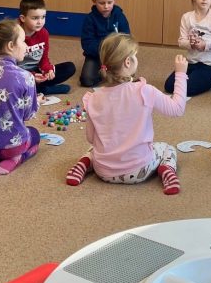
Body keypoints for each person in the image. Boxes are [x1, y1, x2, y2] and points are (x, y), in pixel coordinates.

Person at [66, 33, 187, 195]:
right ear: (128, 62)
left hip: (103, 171)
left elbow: (91, 138)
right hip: (139, 170)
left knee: (93, 148)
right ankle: (167, 171)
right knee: (168, 149)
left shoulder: (93, 98)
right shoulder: (144, 90)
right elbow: (177, 108)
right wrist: (180, 74)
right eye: (135, 56)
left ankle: (84, 163)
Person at [0, 19, 39, 175]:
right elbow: (28, 115)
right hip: (12, 147)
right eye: (23, 41)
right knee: (35, 134)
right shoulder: (26, 77)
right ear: (11, 46)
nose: (26, 46)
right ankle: (16, 159)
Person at [164, 0, 211, 96]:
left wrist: (205, 45)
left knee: (186, 89)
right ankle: (198, 79)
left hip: (209, 66)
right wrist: (191, 43)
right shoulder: (186, 17)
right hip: (191, 63)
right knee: (169, 86)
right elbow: (181, 41)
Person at [18, 0, 76, 95]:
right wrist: (31, 76)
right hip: (20, 75)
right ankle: (44, 90)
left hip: (37, 72)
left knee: (69, 68)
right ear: (23, 18)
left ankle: (38, 88)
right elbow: (10, 67)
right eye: (35, 18)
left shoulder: (44, 33)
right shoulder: (15, 34)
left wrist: (48, 70)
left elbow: (43, 59)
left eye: (43, 17)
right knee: (14, 85)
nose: (40, 22)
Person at [79, 0, 130, 87]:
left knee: (127, 77)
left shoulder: (119, 16)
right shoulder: (90, 19)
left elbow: (127, 37)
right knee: (86, 80)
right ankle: (105, 73)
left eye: (109, 2)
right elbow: (87, 44)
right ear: (94, 1)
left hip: (116, 55)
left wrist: (119, 51)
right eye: (102, 3)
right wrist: (104, 49)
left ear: (114, 0)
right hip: (96, 56)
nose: (106, 6)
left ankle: (109, 72)